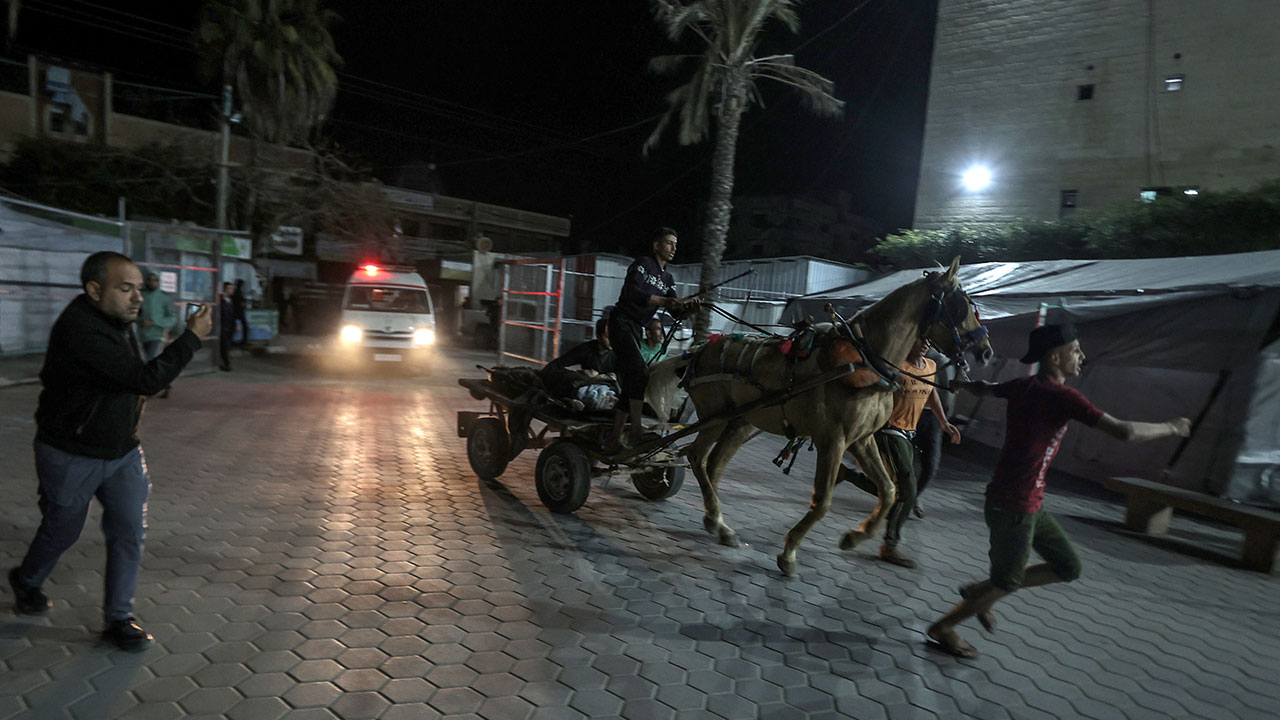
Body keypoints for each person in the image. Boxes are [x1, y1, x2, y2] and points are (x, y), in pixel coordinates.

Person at [926, 324, 1191, 658]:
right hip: (1014, 505)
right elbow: (1123, 432)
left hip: (1029, 503)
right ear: (1055, 357)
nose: (1082, 356)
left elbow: (986, 388)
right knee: (1006, 581)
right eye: (1076, 350)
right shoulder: (1062, 396)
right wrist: (1172, 427)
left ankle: (982, 591)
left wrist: (963, 383)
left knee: (1067, 567)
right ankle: (944, 626)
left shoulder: (1024, 385)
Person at [8, 251, 211, 651]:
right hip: (71, 453)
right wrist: (191, 338)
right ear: (94, 290)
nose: (136, 298)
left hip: (121, 454)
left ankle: (119, 618)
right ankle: (26, 578)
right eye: (125, 289)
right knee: (61, 531)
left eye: (138, 288)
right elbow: (143, 379)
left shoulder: (116, 320)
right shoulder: (81, 330)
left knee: (129, 533)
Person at [839, 336, 961, 568]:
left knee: (892, 488)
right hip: (889, 430)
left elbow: (931, 391)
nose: (925, 344)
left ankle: (845, 475)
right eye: (919, 340)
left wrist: (944, 423)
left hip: (909, 432)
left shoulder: (931, 366)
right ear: (909, 342)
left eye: (928, 341)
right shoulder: (896, 365)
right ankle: (890, 545)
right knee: (908, 490)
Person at [606, 227, 699, 449]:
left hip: (636, 328)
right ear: (656, 245)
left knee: (633, 380)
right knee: (639, 371)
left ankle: (614, 437)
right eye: (669, 243)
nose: (673, 248)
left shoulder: (668, 279)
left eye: (675, 245)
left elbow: (675, 311)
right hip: (621, 322)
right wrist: (662, 301)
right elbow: (632, 292)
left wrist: (690, 310)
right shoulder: (642, 264)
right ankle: (636, 428)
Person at [137, 271, 178, 398]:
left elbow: (172, 317)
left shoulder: (164, 298)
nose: (152, 282)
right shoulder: (141, 296)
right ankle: (166, 383)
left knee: (150, 361)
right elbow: (135, 313)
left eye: (155, 280)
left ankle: (149, 389)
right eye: (150, 279)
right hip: (143, 334)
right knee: (153, 362)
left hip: (158, 335)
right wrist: (140, 321)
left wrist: (156, 322)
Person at [544, 317, 615, 376]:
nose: (613, 340)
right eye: (608, 337)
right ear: (598, 336)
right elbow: (557, 364)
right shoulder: (586, 349)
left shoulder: (620, 352)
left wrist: (599, 376)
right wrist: (578, 374)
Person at [218, 282, 235, 371]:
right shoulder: (221, 300)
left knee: (226, 346)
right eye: (230, 288)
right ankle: (226, 364)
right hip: (222, 326)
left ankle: (225, 363)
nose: (232, 290)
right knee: (224, 346)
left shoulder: (230, 300)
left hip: (228, 326)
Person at [231, 279, 250, 346]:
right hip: (238, 312)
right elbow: (241, 303)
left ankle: (232, 341)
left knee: (233, 326)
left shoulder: (235, 292)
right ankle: (244, 341)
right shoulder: (239, 292)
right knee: (244, 326)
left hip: (235, 312)